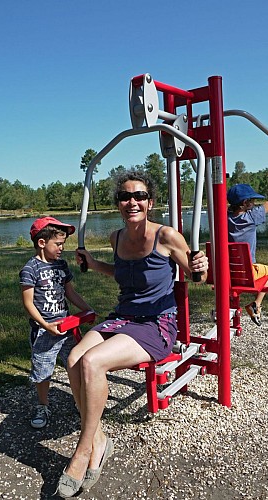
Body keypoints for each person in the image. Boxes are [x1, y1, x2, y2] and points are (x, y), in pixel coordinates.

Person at [55, 170, 209, 497]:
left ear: (150, 202)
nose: (132, 202)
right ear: (119, 204)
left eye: (139, 196)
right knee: (72, 359)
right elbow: (123, 274)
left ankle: (83, 452)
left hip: (157, 324)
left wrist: (201, 266)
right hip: (124, 318)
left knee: (92, 363)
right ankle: (98, 440)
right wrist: (95, 264)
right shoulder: (116, 238)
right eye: (125, 197)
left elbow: (195, 275)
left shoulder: (166, 236)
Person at [19, 216, 93, 429]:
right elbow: (28, 304)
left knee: (75, 363)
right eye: (58, 244)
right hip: (44, 331)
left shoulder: (61, 265)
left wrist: (87, 308)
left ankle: (80, 402)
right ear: (42, 243)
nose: (62, 248)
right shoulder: (30, 269)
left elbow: (70, 292)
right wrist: (45, 325)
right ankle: (42, 405)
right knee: (43, 371)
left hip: (67, 326)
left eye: (63, 244)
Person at [227, 166, 268, 326]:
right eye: (252, 201)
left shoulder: (223, 218)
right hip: (247, 274)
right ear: (245, 203)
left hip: (225, 273)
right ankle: (256, 304)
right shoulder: (252, 217)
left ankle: (227, 305)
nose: (254, 203)